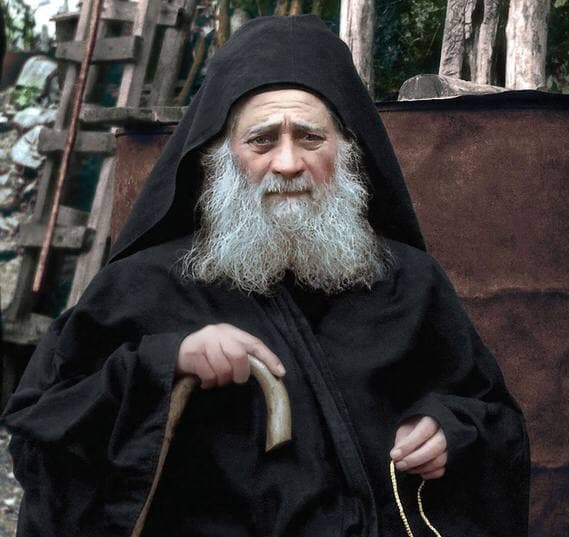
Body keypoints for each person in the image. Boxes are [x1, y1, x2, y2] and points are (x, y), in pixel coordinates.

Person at [2, 15, 529, 537]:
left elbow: (492, 416)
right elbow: (43, 432)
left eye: (310, 137)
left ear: (347, 151)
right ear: (220, 157)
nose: (288, 163)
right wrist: (167, 361)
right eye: (261, 140)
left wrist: (449, 428)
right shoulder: (144, 286)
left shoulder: (409, 282)